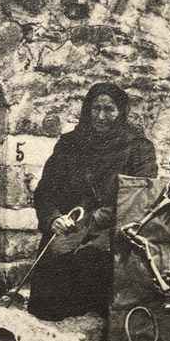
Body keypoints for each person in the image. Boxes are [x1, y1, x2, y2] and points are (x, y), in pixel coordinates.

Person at [28, 83, 158, 320]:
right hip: (71, 224)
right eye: (96, 108)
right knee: (53, 266)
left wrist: (99, 219)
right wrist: (53, 218)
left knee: (91, 260)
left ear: (121, 112)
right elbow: (45, 190)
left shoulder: (138, 148)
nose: (101, 116)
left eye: (109, 109)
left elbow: (142, 196)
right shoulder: (70, 144)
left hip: (114, 227)